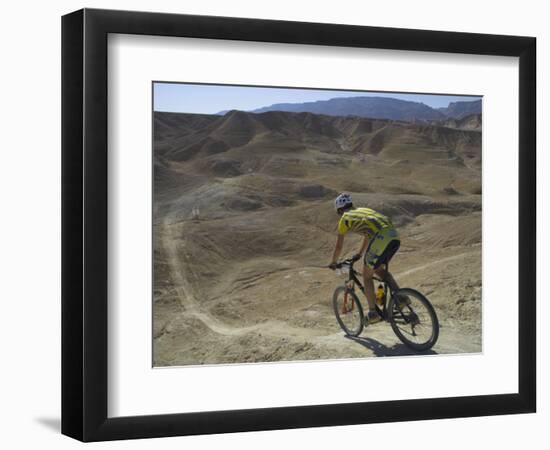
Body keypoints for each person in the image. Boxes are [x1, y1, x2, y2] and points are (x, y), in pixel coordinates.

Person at [329, 193, 402, 325]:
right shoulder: (363, 211)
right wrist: (359, 253)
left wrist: (334, 262)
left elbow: (339, 246)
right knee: (380, 270)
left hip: (381, 237)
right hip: (394, 236)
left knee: (366, 275)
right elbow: (368, 236)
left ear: (339, 210)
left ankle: (373, 312)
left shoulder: (344, 218)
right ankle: (401, 298)